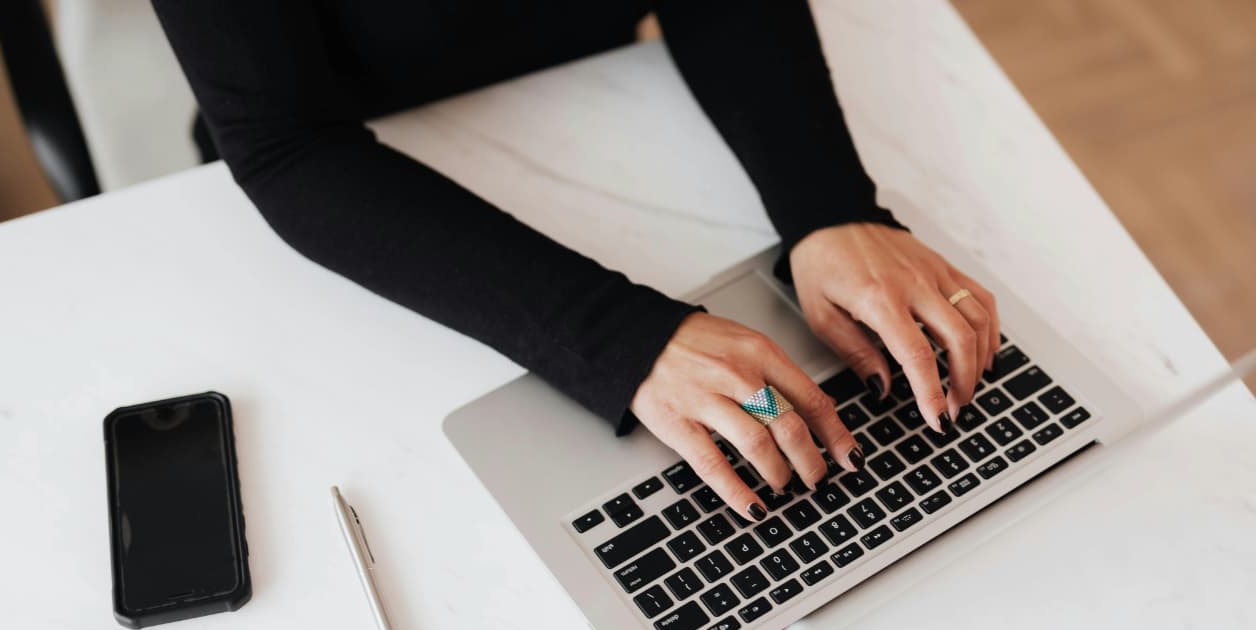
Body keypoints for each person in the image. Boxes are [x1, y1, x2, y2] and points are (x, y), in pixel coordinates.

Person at [152, 0, 999, 522]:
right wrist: (626, 340)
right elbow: (285, 144)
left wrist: (827, 208)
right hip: (359, 194)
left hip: (601, 95)